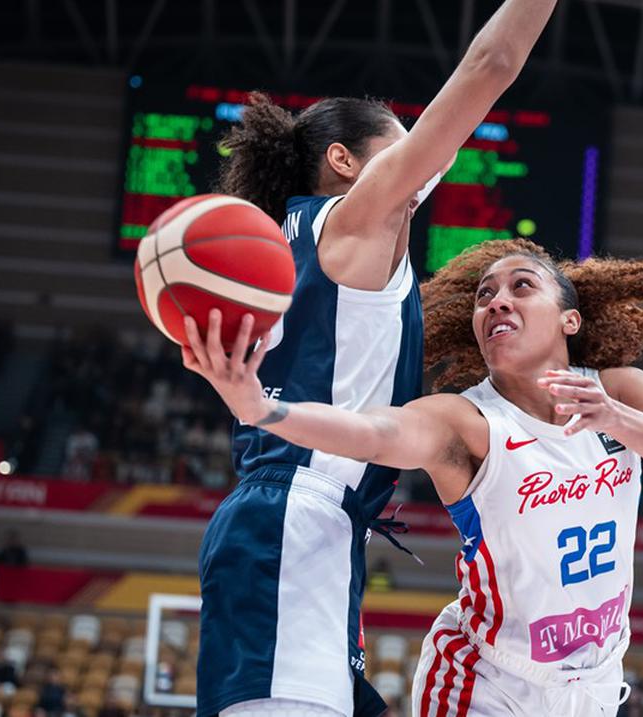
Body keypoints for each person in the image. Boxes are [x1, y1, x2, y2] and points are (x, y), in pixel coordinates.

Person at [190, 2, 561, 716]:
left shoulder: (286, 246)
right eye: (402, 146)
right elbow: (492, 65)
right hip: (294, 520)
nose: (427, 159)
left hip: (302, 525)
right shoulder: (357, 218)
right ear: (346, 161)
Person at [183, 238, 643, 715]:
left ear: (570, 319)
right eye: (484, 296)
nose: (497, 301)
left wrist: (613, 417)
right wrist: (265, 411)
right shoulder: (467, 421)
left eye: (521, 286)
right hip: (488, 680)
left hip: (599, 680)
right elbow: (373, 432)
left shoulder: (623, 390)